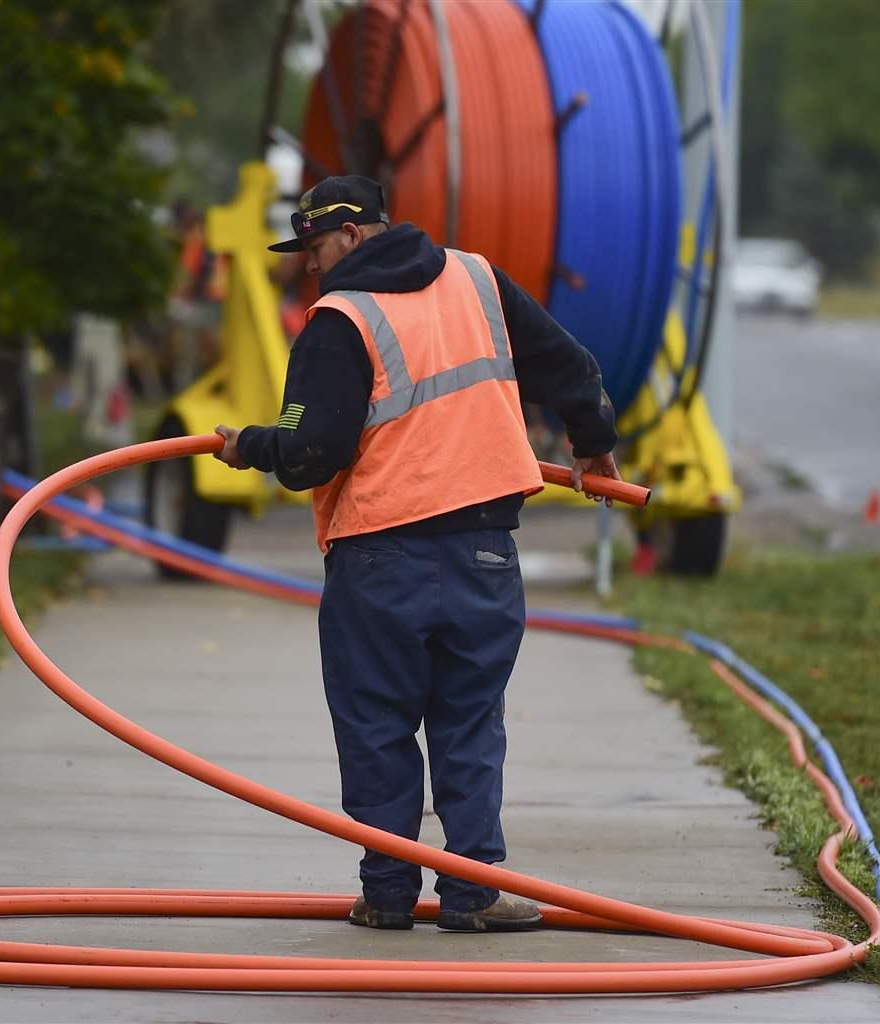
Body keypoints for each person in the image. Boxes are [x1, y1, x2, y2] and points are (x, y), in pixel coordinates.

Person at [213, 175, 620, 933]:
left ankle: (388, 895)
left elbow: (310, 453)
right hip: (484, 557)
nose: (308, 264)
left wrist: (249, 447)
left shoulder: (337, 321)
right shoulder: (478, 280)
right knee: (470, 723)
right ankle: (472, 893)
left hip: (382, 561)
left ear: (355, 235)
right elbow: (574, 370)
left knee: (376, 726)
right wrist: (594, 446)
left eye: (315, 245)